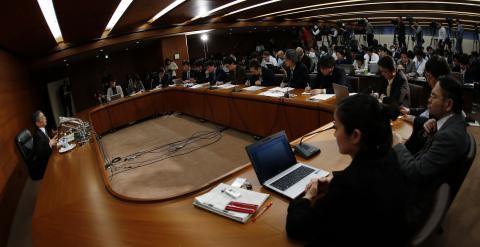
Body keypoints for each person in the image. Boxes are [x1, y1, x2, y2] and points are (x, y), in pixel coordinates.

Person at [286, 94, 409, 246]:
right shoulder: (389, 155)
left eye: (336, 127)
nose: (334, 134)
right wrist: (334, 179)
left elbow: (298, 228)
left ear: (355, 135)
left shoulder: (348, 185)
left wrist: (307, 197)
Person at [393, 76, 469, 230]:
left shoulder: (449, 137)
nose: (428, 100)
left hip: (411, 206)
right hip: (418, 189)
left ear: (448, 104)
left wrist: (397, 143)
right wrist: (436, 130)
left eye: (433, 96)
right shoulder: (453, 123)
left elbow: (416, 172)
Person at [32, 111, 58, 179]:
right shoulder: (37, 135)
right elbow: (40, 154)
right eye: (42, 117)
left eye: (44, 116)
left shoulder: (43, 130)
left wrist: (52, 137)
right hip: (46, 163)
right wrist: (50, 144)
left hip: (50, 155)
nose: (45, 118)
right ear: (37, 123)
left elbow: (46, 141)